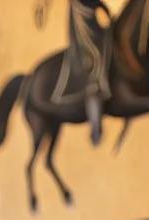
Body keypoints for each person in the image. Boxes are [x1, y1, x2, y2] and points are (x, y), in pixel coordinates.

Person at [53, 0, 112, 143]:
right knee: (94, 58)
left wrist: (102, 8)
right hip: (83, 18)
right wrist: (100, 7)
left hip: (92, 13)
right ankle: (95, 125)